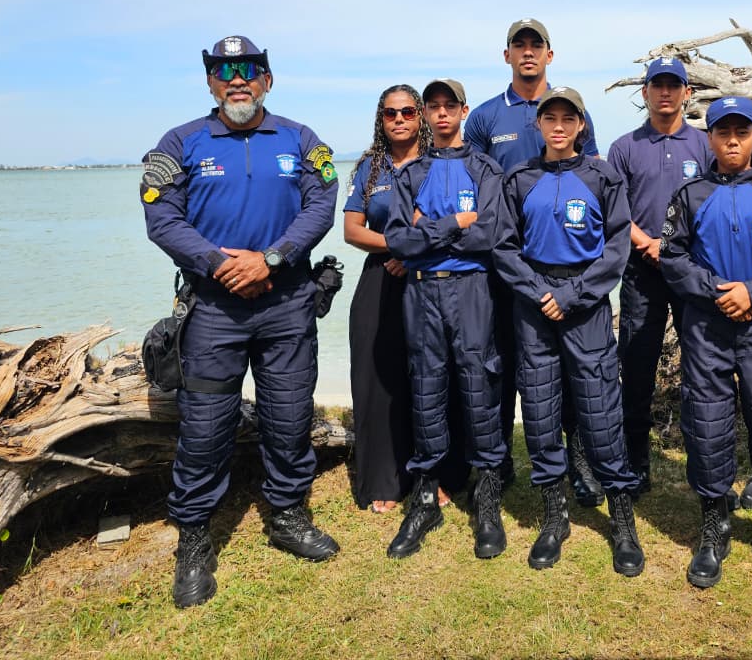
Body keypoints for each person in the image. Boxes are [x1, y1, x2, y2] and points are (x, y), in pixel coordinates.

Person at [140, 35, 339, 609]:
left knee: (288, 414)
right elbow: (161, 217)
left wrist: (270, 258)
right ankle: (195, 540)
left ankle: (288, 515)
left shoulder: (302, 139)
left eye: (249, 71)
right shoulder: (179, 142)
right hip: (214, 307)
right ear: (209, 83)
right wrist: (218, 263)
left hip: (287, 302)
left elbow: (321, 205)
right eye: (224, 72)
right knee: (204, 426)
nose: (237, 80)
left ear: (267, 81)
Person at [660, 96, 752, 595]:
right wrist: (719, 291)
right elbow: (672, 256)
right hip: (707, 325)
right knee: (706, 424)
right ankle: (715, 526)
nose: (731, 139)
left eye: (740, 131)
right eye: (722, 131)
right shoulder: (690, 193)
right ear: (710, 138)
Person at [492, 87, 645, 576]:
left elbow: (617, 247)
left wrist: (575, 294)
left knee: (600, 411)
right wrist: (539, 292)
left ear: (581, 125)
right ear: (538, 125)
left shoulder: (603, 177)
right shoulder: (520, 179)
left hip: (587, 306)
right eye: (549, 118)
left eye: (568, 118)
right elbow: (503, 246)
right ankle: (553, 516)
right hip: (535, 305)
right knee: (539, 411)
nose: (558, 126)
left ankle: (622, 520)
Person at [466, 18, 604, 504]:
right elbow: (472, 185)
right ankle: (499, 460)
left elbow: (593, 188)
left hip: (564, 267)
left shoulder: (572, 109)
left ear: (550, 54)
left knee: (569, 370)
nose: (527, 53)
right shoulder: (484, 117)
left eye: (536, 45)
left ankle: (580, 460)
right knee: (499, 362)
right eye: (518, 46)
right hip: (504, 265)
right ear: (506, 56)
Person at [384, 79, 509, 561]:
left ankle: (487, 498)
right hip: (421, 291)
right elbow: (399, 241)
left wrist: (427, 229)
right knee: (426, 386)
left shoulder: (484, 169)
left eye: (448, 106)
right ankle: (424, 498)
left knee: (480, 386)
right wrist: (456, 223)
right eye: (431, 107)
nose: (440, 114)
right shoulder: (411, 173)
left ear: (463, 111)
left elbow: (491, 234)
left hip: (473, 289)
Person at [343, 85, 468, 514]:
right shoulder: (370, 169)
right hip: (381, 276)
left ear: (421, 117)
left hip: (432, 277)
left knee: (437, 378)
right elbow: (352, 230)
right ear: (381, 120)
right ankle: (385, 478)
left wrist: (414, 251)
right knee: (378, 379)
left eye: (408, 112)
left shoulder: (440, 164)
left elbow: (456, 224)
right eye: (390, 114)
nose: (399, 120)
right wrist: (397, 247)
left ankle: (441, 476)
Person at [606, 57, 711, 495]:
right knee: (638, 363)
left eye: (674, 85)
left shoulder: (705, 145)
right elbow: (614, 210)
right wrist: (647, 243)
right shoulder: (624, 147)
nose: (665, 92)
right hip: (640, 270)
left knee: (703, 365)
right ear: (645, 93)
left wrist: (672, 248)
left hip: (692, 271)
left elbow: (716, 203)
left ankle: (702, 456)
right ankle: (636, 459)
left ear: (687, 92)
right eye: (657, 85)